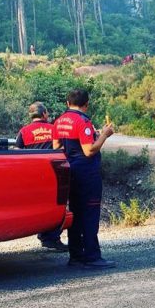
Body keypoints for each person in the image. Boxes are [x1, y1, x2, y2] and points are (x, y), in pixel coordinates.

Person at [53, 89, 116, 269]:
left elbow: (56, 147)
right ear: (86, 104)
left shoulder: (59, 121)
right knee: (89, 214)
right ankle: (92, 256)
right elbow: (89, 150)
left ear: (67, 103)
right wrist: (104, 134)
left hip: (69, 173)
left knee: (75, 213)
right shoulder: (83, 122)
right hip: (86, 175)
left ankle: (76, 256)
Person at [16, 102, 68, 251]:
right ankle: (51, 238)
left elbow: (16, 151)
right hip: (53, 173)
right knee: (55, 206)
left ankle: (44, 235)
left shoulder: (24, 131)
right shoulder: (53, 129)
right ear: (44, 114)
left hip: (31, 175)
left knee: (38, 205)